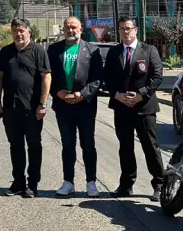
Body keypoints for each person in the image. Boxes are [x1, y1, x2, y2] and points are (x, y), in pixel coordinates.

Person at [103, 16, 164, 200]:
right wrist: (116, 94)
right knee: (125, 147)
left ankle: (160, 184)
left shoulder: (149, 50)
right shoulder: (114, 53)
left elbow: (157, 76)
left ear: (135, 30)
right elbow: (108, 78)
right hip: (122, 108)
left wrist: (140, 95)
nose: (125, 32)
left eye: (128, 28)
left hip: (144, 108)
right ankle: (126, 185)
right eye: (122, 29)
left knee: (150, 146)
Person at [0, 18, 51, 198]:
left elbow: (46, 78)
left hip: (32, 109)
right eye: (15, 31)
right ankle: (18, 181)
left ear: (29, 32)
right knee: (15, 146)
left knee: (34, 146)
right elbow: (0, 79)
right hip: (10, 109)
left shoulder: (38, 51)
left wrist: (42, 104)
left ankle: (33, 184)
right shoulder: (5, 52)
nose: (18, 34)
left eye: (22, 30)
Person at [47, 16, 103, 198]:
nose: (71, 31)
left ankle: (91, 182)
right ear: (63, 29)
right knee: (68, 145)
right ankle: (68, 182)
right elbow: (48, 77)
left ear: (81, 29)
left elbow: (97, 79)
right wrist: (58, 92)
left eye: (74, 27)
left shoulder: (92, 50)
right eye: (68, 27)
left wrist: (82, 94)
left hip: (85, 106)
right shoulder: (53, 50)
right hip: (63, 106)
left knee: (88, 145)